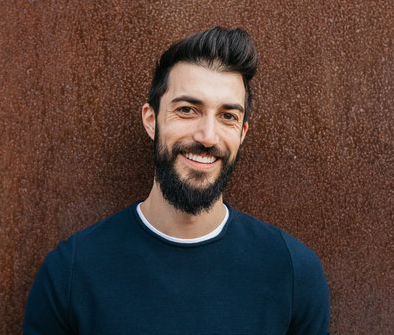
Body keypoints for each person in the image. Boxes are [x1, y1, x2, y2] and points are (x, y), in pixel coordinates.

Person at [23, 26, 331, 334]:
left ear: (242, 133)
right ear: (151, 120)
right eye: (187, 110)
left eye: (227, 116)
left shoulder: (292, 272)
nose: (207, 136)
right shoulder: (72, 272)